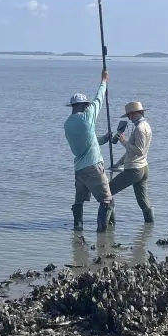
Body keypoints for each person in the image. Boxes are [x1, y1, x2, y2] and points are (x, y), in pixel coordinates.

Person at [63, 69, 115, 233]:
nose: (87, 107)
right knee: (106, 200)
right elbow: (99, 99)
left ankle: (77, 230)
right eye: (86, 105)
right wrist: (104, 81)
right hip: (93, 166)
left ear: (72, 107)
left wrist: (104, 139)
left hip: (79, 169)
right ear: (84, 106)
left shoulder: (67, 124)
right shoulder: (87, 116)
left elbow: (86, 142)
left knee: (79, 201)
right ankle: (102, 235)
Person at [109, 101, 154, 222]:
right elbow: (132, 151)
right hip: (143, 168)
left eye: (129, 115)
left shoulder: (139, 129)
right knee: (143, 202)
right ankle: (149, 227)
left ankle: (108, 223)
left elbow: (138, 151)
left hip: (134, 170)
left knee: (107, 191)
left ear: (133, 114)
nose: (129, 118)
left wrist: (123, 141)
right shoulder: (146, 125)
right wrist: (118, 164)